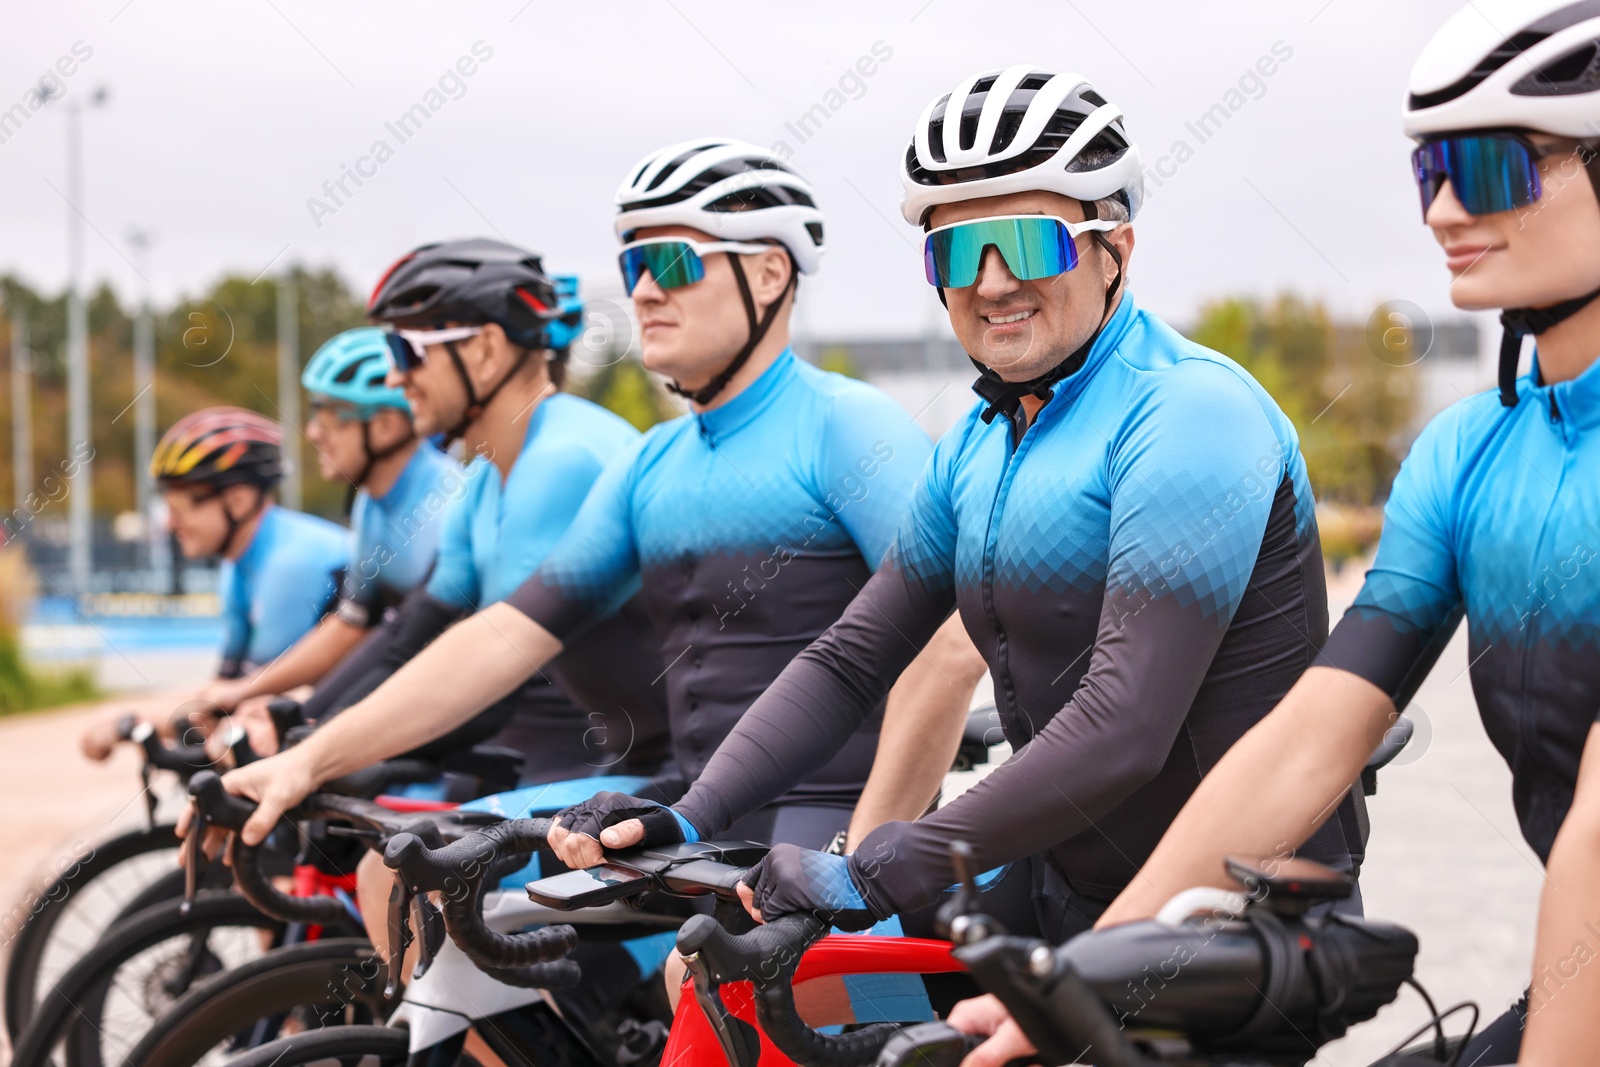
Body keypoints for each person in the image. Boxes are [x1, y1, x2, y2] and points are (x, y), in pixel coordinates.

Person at [545, 69, 1366, 953]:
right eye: (956, 251)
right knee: (755, 977)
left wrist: (874, 867)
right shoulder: (979, 443)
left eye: (1027, 241)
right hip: (1064, 882)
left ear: (1115, 247)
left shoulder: (1187, 413)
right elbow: (853, 659)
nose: (992, 281)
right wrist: (687, 813)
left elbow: (1126, 726)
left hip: (1234, 916)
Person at [954, 5, 1600, 1065]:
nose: (1440, 209)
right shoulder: (1463, 451)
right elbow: (1314, 734)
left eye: (1486, 168)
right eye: (1428, 169)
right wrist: (1092, 977)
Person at [195, 328, 457, 741]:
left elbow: (415, 648)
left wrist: (308, 723)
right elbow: (352, 626)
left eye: (329, 414)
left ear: (386, 426)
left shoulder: (442, 506)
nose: (313, 431)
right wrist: (255, 695)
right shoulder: (370, 504)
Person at [79, 407, 347, 760]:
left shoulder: (290, 563)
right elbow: (223, 689)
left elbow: (240, 702)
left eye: (179, 508)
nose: (170, 524)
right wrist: (125, 717)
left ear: (236, 501)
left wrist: (125, 720)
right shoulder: (238, 565)